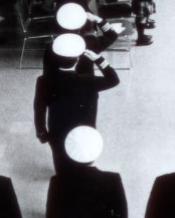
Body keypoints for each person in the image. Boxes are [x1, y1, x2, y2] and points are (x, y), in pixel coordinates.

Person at [34, 34, 121, 173]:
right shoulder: (88, 81)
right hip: (84, 129)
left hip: (57, 130)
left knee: (59, 161)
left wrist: (41, 131)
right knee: (82, 160)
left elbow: (39, 109)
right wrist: (98, 59)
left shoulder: (43, 81)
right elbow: (114, 80)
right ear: (77, 59)